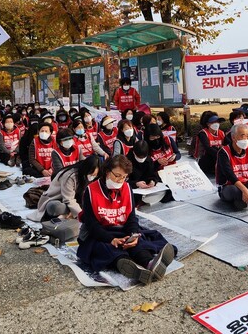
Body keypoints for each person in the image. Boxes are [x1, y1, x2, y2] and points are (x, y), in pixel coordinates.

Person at [77, 155, 176, 285]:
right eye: (117, 175)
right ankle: (125, 265)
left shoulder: (127, 188)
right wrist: (110, 239)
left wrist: (133, 235)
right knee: (105, 248)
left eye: (124, 177)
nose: (120, 180)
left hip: (122, 229)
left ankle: (150, 263)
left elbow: (131, 217)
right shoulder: (91, 190)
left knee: (138, 243)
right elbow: (90, 224)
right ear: (107, 172)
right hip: (100, 232)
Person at [35, 155, 100, 222]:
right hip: (59, 200)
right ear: (86, 169)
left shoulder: (88, 177)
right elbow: (68, 199)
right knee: (55, 207)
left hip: (75, 203)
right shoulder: (70, 176)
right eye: (91, 174)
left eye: (94, 175)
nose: (92, 177)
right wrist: (82, 215)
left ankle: (69, 214)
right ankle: (71, 213)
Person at [216, 124, 248, 210]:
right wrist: (245, 190)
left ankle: (245, 200)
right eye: (243, 136)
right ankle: (247, 198)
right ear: (233, 138)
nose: (246, 139)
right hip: (231, 186)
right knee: (234, 191)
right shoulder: (224, 152)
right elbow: (229, 175)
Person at [193, 111, 226, 177]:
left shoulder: (221, 133)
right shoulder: (203, 133)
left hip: (217, 159)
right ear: (208, 124)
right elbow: (208, 148)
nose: (217, 124)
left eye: (218, 122)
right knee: (214, 149)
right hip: (204, 159)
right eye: (214, 122)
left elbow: (227, 145)